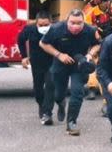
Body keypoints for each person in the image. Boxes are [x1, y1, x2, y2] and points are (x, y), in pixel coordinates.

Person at [38, 7, 101, 136]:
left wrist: (90, 54)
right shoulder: (56, 29)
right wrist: (59, 54)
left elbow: (97, 44)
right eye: (72, 23)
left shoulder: (90, 30)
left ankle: (71, 122)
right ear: (67, 21)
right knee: (58, 94)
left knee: (77, 92)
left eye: (79, 23)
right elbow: (43, 43)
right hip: (61, 63)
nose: (76, 26)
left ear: (84, 22)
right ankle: (61, 104)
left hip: (79, 64)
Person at [17, 9, 55, 123]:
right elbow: (20, 39)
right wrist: (24, 56)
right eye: (41, 25)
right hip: (37, 62)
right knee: (38, 89)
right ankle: (41, 105)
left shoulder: (56, 30)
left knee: (50, 85)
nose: (43, 27)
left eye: (46, 25)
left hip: (52, 62)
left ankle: (47, 113)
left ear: (51, 23)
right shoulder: (30, 29)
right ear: (36, 23)